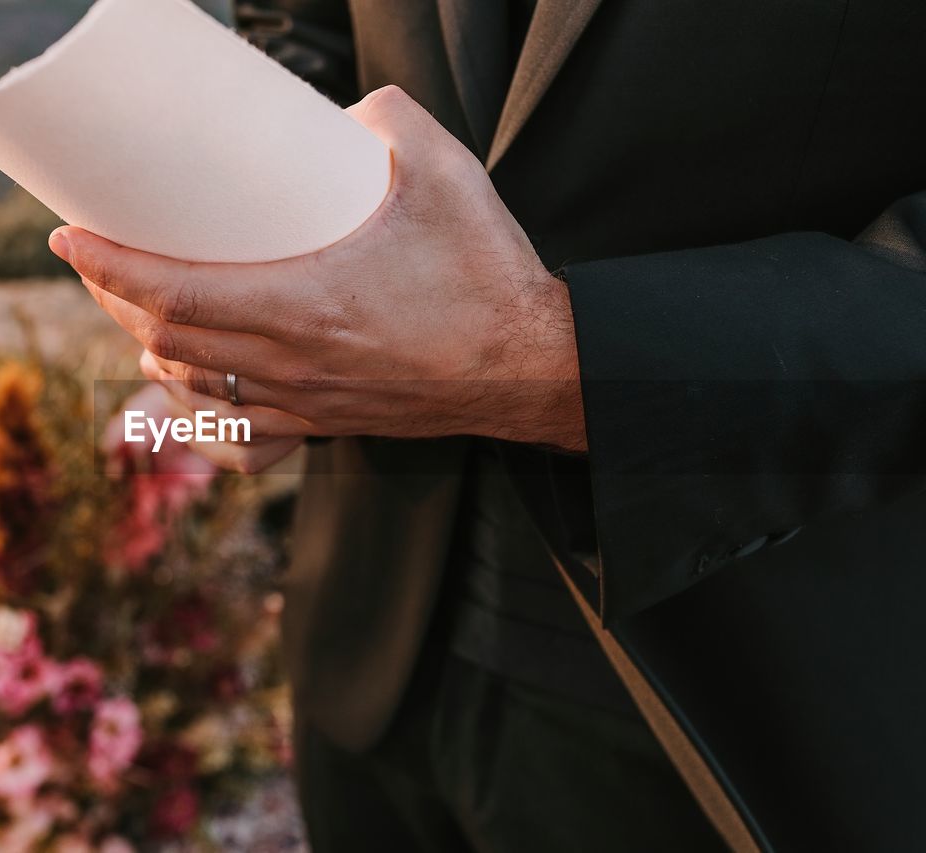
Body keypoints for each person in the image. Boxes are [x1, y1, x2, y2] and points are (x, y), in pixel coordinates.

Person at [48, 1, 926, 849]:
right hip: (374, 641)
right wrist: (243, 291)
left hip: (770, 697)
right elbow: (299, 22)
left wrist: (549, 364)